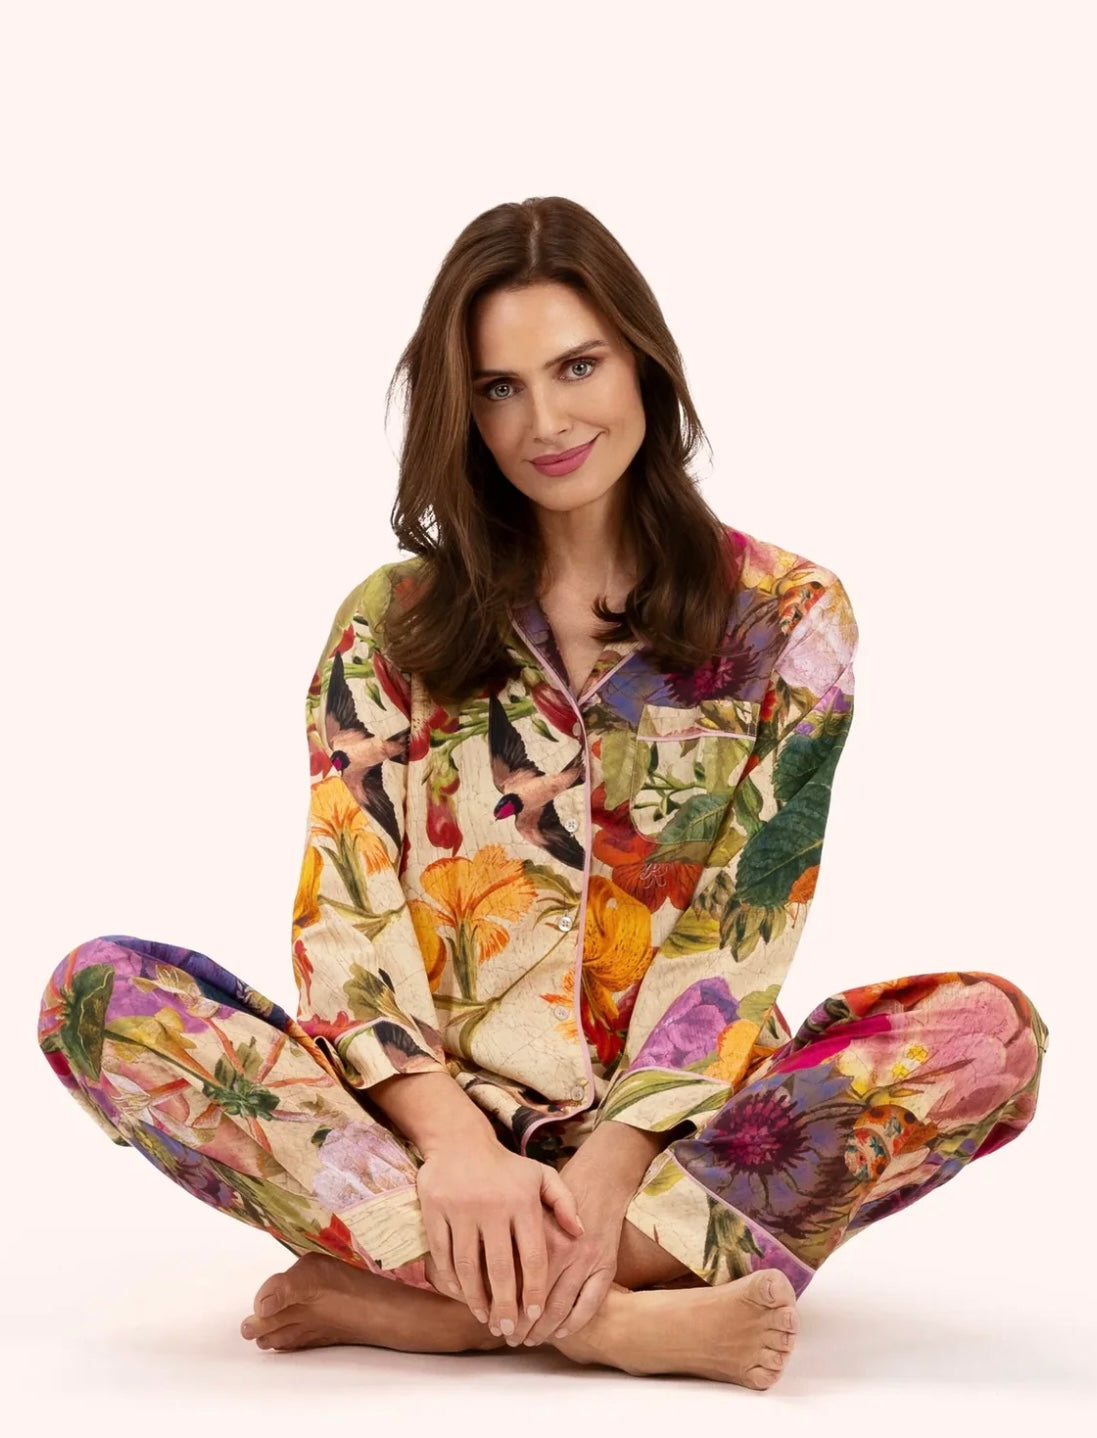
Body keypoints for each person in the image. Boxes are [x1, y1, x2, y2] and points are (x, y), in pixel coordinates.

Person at [37, 196, 1048, 1390]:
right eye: (498, 388)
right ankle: (610, 1317)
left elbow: (744, 923)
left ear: (642, 361)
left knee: (989, 1033)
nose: (546, 421)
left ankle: (445, 1309)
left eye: (577, 366)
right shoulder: (390, 623)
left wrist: (616, 1158)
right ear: (460, 412)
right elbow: (345, 913)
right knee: (99, 997)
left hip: (674, 1137)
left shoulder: (786, 618)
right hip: (427, 1139)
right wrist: (455, 1144)